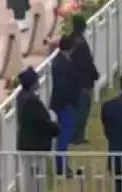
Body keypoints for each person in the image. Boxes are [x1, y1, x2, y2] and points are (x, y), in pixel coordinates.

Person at [49, 35, 79, 174]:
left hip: (64, 103)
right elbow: (62, 86)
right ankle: (61, 166)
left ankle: (63, 164)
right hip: (62, 104)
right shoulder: (61, 63)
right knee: (64, 135)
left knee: (66, 134)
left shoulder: (62, 61)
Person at [68, 15, 100, 145]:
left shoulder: (73, 39)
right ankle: (77, 136)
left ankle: (77, 134)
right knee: (82, 110)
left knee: (78, 109)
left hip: (76, 82)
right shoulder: (80, 43)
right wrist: (95, 74)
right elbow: (86, 62)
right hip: (83, 82)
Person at [14, 66, 58, 150]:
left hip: (24, 142)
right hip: (35, 144)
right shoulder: (32, 101)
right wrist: (55, 129)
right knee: (35, 163)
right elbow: (41, 120)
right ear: (32, 83)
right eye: (36, 80)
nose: (38, 82)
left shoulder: (21, 96)